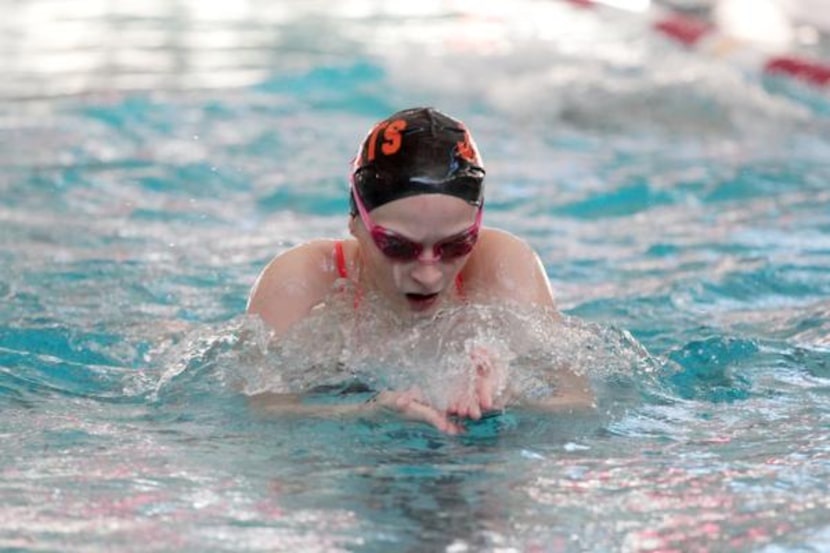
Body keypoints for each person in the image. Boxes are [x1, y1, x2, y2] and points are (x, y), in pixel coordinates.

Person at [247, 107, 593, 434]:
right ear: (355, 220)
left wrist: (510, 395)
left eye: (456, 245)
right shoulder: (304, 280)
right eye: (397, 246)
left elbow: (579, 404)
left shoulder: (503, 265)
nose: (428, 275)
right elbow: (259, 416)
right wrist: (367, 414)